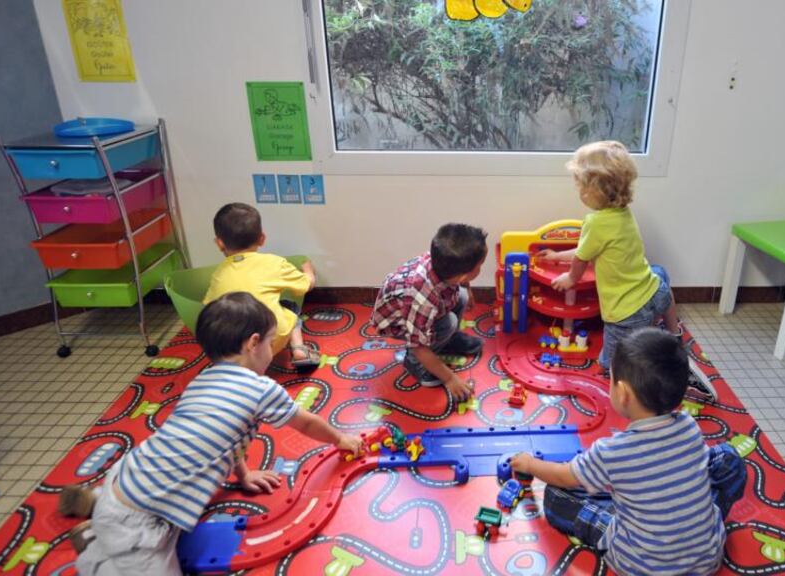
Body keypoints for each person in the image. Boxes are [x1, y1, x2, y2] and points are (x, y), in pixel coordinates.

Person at [65, 292, 362, 575]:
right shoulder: (260, 388)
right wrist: (340, 439)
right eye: (272, 343)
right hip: (140, 523)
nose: (273, 351)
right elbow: (306, 423)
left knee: (140, 490)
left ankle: (98, 504)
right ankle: (95, 549)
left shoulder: (203, 379)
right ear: (253, 343)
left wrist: (243, 475)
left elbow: (223, 438)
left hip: (131, 473)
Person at [510, 328, 746, 576]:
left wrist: (530, 464)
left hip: (642, 566)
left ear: (622, 393)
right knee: (729, 457)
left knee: (556, 496)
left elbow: (563, 477)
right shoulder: (689, 426)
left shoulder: (612, 452)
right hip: (706, 558)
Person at [538, 140, 716, 399]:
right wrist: (557, 256)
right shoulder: (622, 212)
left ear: (595, 190)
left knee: (610, 364)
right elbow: (587, 248)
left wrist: (570, 278)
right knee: (661, 279)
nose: (578, 191)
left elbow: (582, 258)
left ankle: (675, 379)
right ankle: (674, 336)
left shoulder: (595, 222)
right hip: (655, 290)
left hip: (626, 311)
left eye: (580, 185)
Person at [370, 223, 487, 401]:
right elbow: (418, 346)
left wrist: (467, 288)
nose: (481, 268)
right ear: (464, 274)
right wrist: (450, 379)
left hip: (421, 309)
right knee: (448, 323)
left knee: (461, 296)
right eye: (480, 266)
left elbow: (460, 280)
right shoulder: (421, 296)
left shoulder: (444, 262)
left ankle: (448, 340)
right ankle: (413, 363)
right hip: (398, 321)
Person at [203, 202, 319, 367]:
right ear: (262, 238)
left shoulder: (219, 273)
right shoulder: (274, 263)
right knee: (290, 306)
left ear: (219, 243)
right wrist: (307, 268)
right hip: (271, 339)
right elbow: (307, 284)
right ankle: (298, 348)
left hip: (233, 348)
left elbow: (210, 306)